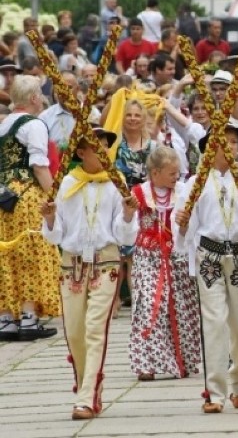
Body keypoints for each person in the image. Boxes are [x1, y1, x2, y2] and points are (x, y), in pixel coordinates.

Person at [41, 126, 140, 419]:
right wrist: (48, 219)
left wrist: (128, 214)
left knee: (95, 328)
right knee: (74, 332)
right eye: (94, 147)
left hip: (105, 262)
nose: (101, 152)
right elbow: (56, 235)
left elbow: (124, 237)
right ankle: (89, 385)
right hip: (72, 264)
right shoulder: (67, 182)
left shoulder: (116, 181)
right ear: (81, 152)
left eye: (104, 146)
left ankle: (84, 397)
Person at [174, 124, 238, 413]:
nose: (229, 146)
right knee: (214, 322)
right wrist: (181, 222)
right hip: (210, 256)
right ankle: (214, 392)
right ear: (209, 148)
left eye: (233, 142)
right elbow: (184, 228)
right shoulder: (195, 183)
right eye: (222, 142)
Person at [129, 146, 201, 381]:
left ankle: (184, 360)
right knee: (149, 304)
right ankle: (146, 362)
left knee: (180, 307)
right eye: (172, 173)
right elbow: (127, 230)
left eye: (178, 173)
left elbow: (192, 227)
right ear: (156, 172)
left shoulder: (182, 192)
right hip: (148, 255)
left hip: (176, 255)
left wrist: (185, 224)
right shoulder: (138, 194)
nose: (176, 178)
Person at [0, 76, 60, 343]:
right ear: (35, 98)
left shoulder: (3, 126)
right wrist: (53, 198)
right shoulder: (34, 124)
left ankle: (6, 320)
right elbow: (39, 165)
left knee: (7, 256)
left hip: (3, 197)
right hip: (25, 196)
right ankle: (28, 317)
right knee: (31, 253)